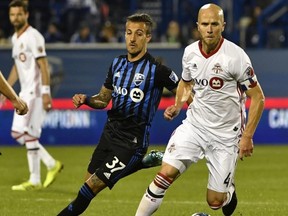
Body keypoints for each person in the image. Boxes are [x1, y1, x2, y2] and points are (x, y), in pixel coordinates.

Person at [135, 3, 265, 216]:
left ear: (223, 25)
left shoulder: (236, 57)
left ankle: (227, 191)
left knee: (215, 202)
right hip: (195, 126)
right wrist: (178, 104)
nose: (210, 28)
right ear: (198, 26)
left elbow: (258, 97)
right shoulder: (190, 53)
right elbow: (186, 84)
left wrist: (247, 136)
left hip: (225, 135)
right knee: (164, 175)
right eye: (205, 24)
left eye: (215, 24)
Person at [57, 13, 188, 215]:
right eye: (128, 33)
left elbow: (184, 89)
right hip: (109, 134)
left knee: (90, 188)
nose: (132, 39)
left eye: (138, 34)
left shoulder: (157, 70)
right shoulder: (117, 64)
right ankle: (143, 163)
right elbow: (103, 99)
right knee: (87, 184)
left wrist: (178, 105)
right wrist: (86, 99)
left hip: (132, 142)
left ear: (148, 37)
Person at [3, 0, 63, 191]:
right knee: (19, 133)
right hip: (23, 92)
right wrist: (7, 91)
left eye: (19, 14)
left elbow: (43, 66)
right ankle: (50, 165)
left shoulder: (33, 36)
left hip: (35, 93)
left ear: (26, 15)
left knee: (26, 133)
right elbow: (17, 67)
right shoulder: (15, 38)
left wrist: (46, 93)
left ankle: (35, 178)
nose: (15, 18)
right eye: (12, 14)